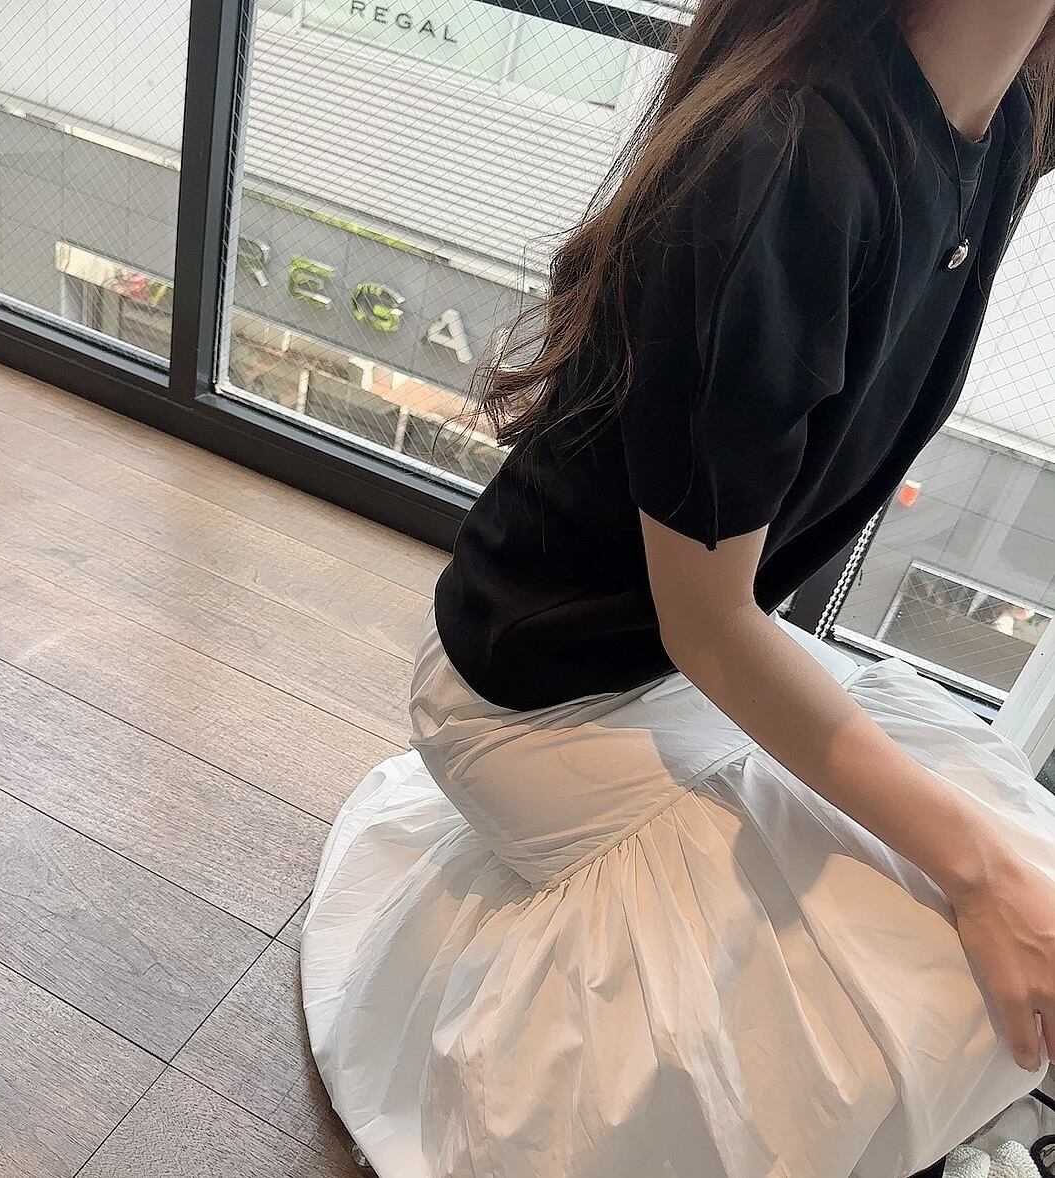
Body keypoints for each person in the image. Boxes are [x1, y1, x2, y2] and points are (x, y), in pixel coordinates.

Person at [300, 2, 1055, 1175]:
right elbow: (706, 623)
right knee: (935, 966)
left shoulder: (1005, 113)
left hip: (689, 651)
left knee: (988, 894)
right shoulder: (787, 160)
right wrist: (979, 874)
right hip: (544, 686)